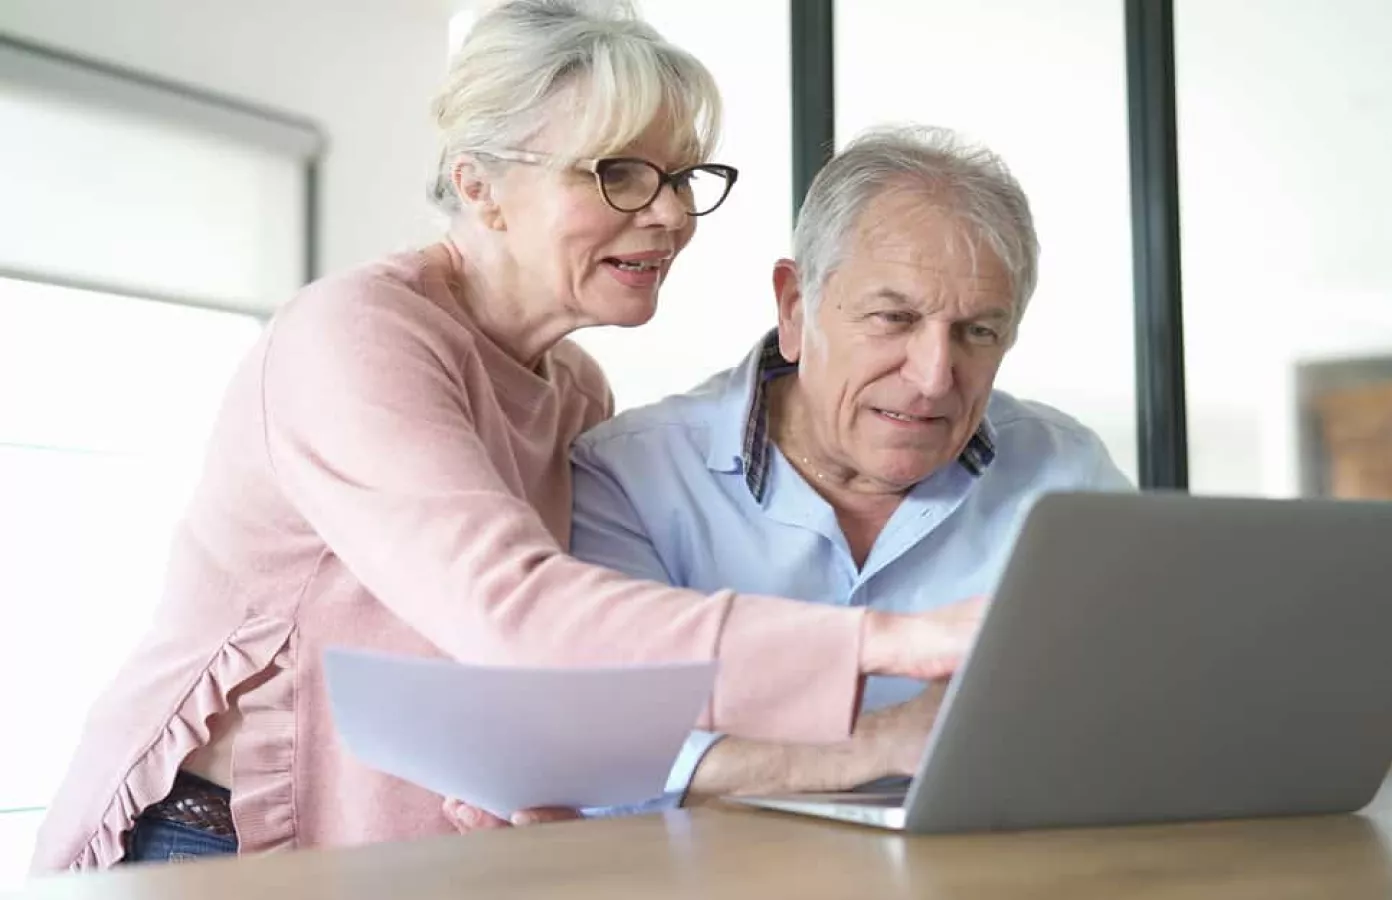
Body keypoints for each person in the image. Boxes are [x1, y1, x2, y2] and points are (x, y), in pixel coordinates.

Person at [31, 2, 980, 872]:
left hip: (393, 849)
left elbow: (573, 674)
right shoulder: (352, 338)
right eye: (619, 174)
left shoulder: (574, 390)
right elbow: (517, 615)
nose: (672, 214)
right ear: (478, 186)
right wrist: (894, 642)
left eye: (683, 177)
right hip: (207, 844)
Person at [445, 124, 1130, 831]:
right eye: (893, 319)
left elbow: (1147, 717)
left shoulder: (1066, 476)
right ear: (795, 307)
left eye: (978, 333)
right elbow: (588, 757)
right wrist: (874, 744)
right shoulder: (630, 476)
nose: (932, 378)